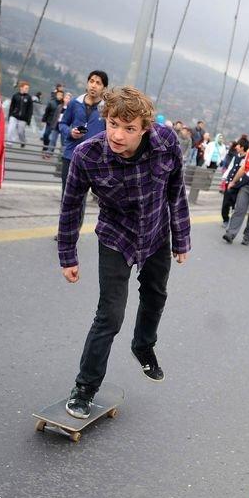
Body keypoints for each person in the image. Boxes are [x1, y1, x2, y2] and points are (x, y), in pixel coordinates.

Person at [58, 86, 190, 418]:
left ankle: (143, 346)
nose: (118, 135)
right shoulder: (87, 155)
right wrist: (68, 255)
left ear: (145, 127)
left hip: (157, 231)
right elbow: (71, 207)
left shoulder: (165, 142)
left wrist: (181, 239)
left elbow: (176, 189)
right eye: (113, 124)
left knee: (156, 294)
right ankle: (85, 388)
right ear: (106, 119)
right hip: (116, 236)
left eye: (129, 128)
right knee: (110, 315)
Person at [57, 70, 107, 229]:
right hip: (70, 156)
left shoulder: (106, 109)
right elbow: (62, 123)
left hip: (91, 160)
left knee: (81, 196)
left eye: (98, 83)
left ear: (104, 88)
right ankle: (64, 229)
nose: (94, 85)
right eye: (91, 81)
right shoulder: (74, 103)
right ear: (87, 83)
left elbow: (110, 133)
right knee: (67, 195)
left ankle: (75, 229)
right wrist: (70, 132)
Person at [220, 139, 247, 227]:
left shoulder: (247, 158)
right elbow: (230, 167)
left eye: (238, 145)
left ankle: (233, 221)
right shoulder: (235, 156)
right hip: (229, 181)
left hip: (238, 184)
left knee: (235, 203)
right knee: (225, 203)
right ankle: (225, 219)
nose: (236, 147)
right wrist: (224, 177)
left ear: (242, 147)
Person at [7, 81, 33, 147]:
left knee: (20, 132)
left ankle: (23, 141)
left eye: (28, 88)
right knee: (10, 129)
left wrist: (28, 120)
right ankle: (10, 142)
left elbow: (30, 110)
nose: (27, 90)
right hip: (14, 116)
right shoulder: (15, 96)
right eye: (26, 88)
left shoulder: (29, 98)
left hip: (23, 118)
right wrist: (9, 116)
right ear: (21, 88)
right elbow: (11, 107)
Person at [41, 89, 65, 158]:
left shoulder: (63, 104)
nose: (60, 96)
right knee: (46, 135)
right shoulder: (51, 102)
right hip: (49, 122)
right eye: (59, 95)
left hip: (57, 124)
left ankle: (50, 151)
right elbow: (46, 112)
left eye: (61, 95)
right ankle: (46, 147)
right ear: (56, 95)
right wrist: (43, 120)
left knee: (53, 138)